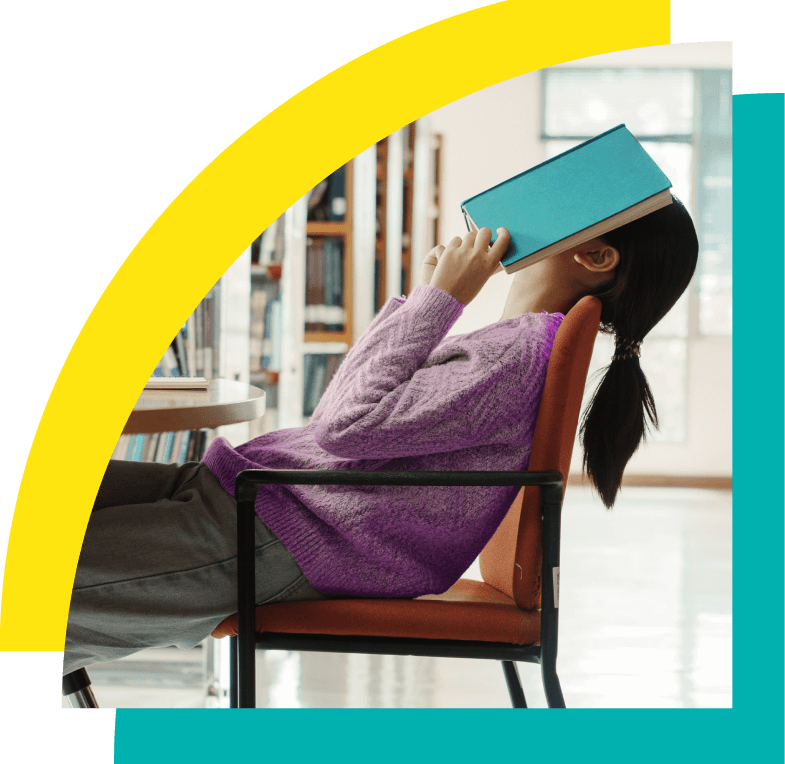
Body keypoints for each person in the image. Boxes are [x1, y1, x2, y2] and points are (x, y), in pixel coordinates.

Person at [62, 195, 699, 678]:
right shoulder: (513, 345)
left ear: (595, 256)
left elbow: (341, 426)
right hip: (256, 499)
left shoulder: (517, 358)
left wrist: (437, 300)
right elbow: (343, 416)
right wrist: (428, 304)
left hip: (280, 532)